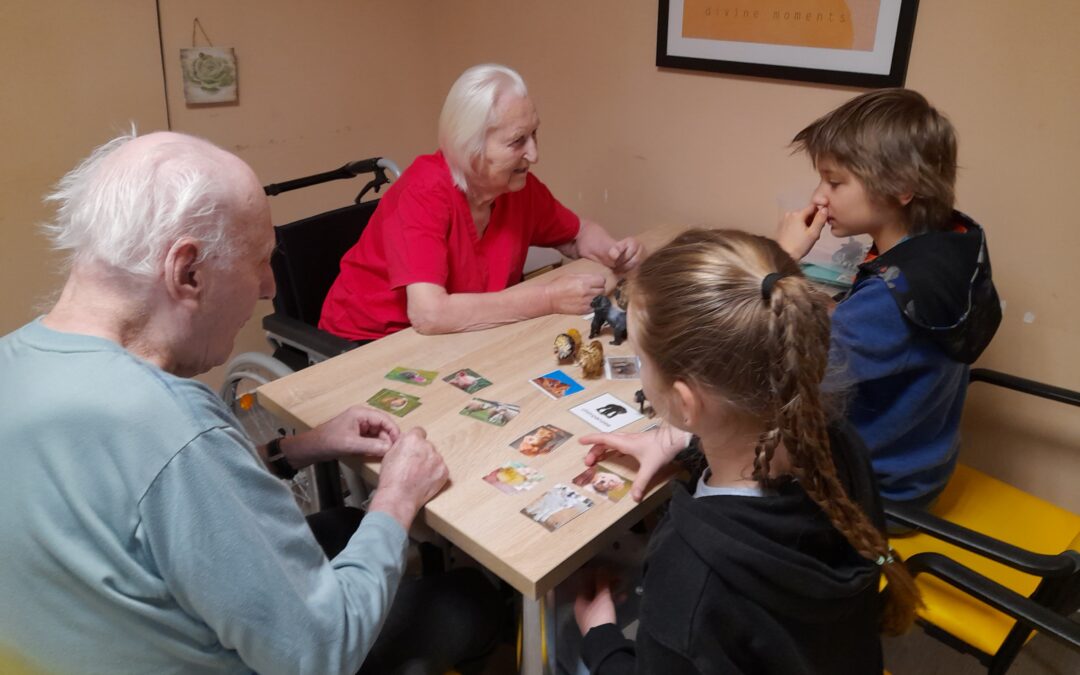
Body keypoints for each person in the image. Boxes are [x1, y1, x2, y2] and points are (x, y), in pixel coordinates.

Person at [0, 131, 496, 675]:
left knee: (346, 524)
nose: (267, 287)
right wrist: (397, 497)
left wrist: (300, 447)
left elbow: (138, 495)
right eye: (260, 261)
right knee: (470, 600)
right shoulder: (176, 429)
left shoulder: (15, 360)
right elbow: (324, 652)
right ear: (187, 271)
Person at [573, 230, 919, 673]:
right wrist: (676, 440)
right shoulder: (836, 440)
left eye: (641, 361)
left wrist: (600, 638)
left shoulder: (689, 570)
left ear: (684, 403)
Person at [775, 88, 1001, 509]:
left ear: (901, 187)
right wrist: (834, 312)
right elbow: (887, 338)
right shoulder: (950, 244)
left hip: (878, 490)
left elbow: (793, 381)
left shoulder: (886, 301)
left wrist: (782, 263)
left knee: (725, 449)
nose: (818, 197)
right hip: (922, 464)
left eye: (835, 181)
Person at [319, 63, 643, 341]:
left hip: (457, 336)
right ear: (470, 146)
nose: (534, 154)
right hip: (368, 343)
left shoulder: (516, 186)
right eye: (518, 141)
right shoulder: (424, 192)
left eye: (534, 135)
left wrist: (611, 252)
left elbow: (575, 233)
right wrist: (548, 297)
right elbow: (429, 314)